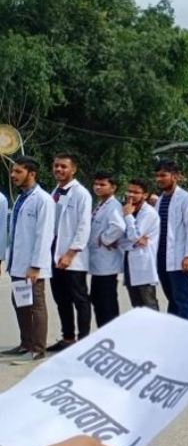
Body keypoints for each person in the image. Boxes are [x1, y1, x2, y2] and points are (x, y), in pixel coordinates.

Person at [3, 156, 54, 362]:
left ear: (31, 174)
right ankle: (26, 344)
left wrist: (35, 266)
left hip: (32, 267)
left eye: (18, 171)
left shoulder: (43, 200)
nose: (13, 175)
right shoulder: (21, 198)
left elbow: (44, 235)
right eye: (12, 171)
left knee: (35, 305)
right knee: (20, 303)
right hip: (17, 263)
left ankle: (38, 349)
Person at [47, 153, 93, 353]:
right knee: (61, 298)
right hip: (54, 252)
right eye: (56, 166)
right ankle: (67, 338)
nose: (59, 169)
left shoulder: (81, 194)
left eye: (64, 166)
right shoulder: (55, 191)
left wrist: (70, 254)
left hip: (72, 257)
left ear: (73, 169)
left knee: (79, 299)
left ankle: (83, 341)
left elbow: (84, 226)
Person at [154, 159, 188, 320]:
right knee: (171, 297)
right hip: (162, 256)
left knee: (183, 298)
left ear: (175, 176)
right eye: (157, 176)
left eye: (163, 175)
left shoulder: (186, 198)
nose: (159, 179)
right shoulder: (160, 200)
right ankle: (174, 328)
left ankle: (187, 329)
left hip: (179, 257)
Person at [87, 171, 125, 327]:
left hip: (107, 263)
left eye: (102, 184)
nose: (98, 187)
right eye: (96, 184)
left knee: (106, 301)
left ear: (113, 187)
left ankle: (110, 331)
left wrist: (104, 239)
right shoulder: (101, 204)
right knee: (97, 299)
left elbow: (119, 226)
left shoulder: (114, 206)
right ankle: (103, 330)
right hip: (98, 262)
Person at [120, 179, 161, 310]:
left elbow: (133, 236)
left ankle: (155, 325)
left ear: (145, 195)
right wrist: (133, 241)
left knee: (149, 304)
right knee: (136, 305)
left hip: (144, 264)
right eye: (129, 191)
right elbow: (121, 237)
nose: (131, 195)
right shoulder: (128, 210)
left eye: (136, 192)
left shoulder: (148, 213)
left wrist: (128, 216)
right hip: (130, 262)